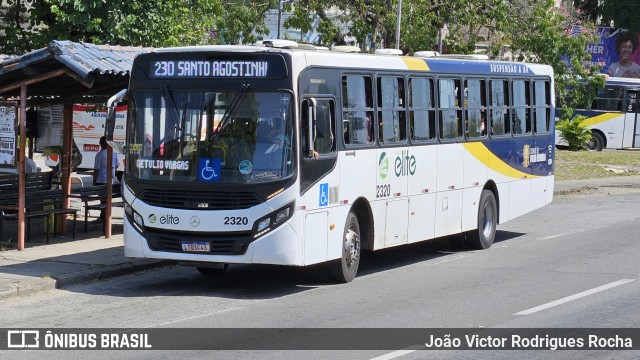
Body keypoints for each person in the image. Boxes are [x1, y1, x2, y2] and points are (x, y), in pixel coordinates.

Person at [93, 136, 119, 220]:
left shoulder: (99, 155)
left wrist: (94, 181)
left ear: (101, 144)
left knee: (103, 200)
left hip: (101, 180)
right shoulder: (113, 153)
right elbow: (117, 165)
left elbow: (96, 170)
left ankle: (103, 216)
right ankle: (104, 215)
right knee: (106, 199)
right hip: (110, 180)